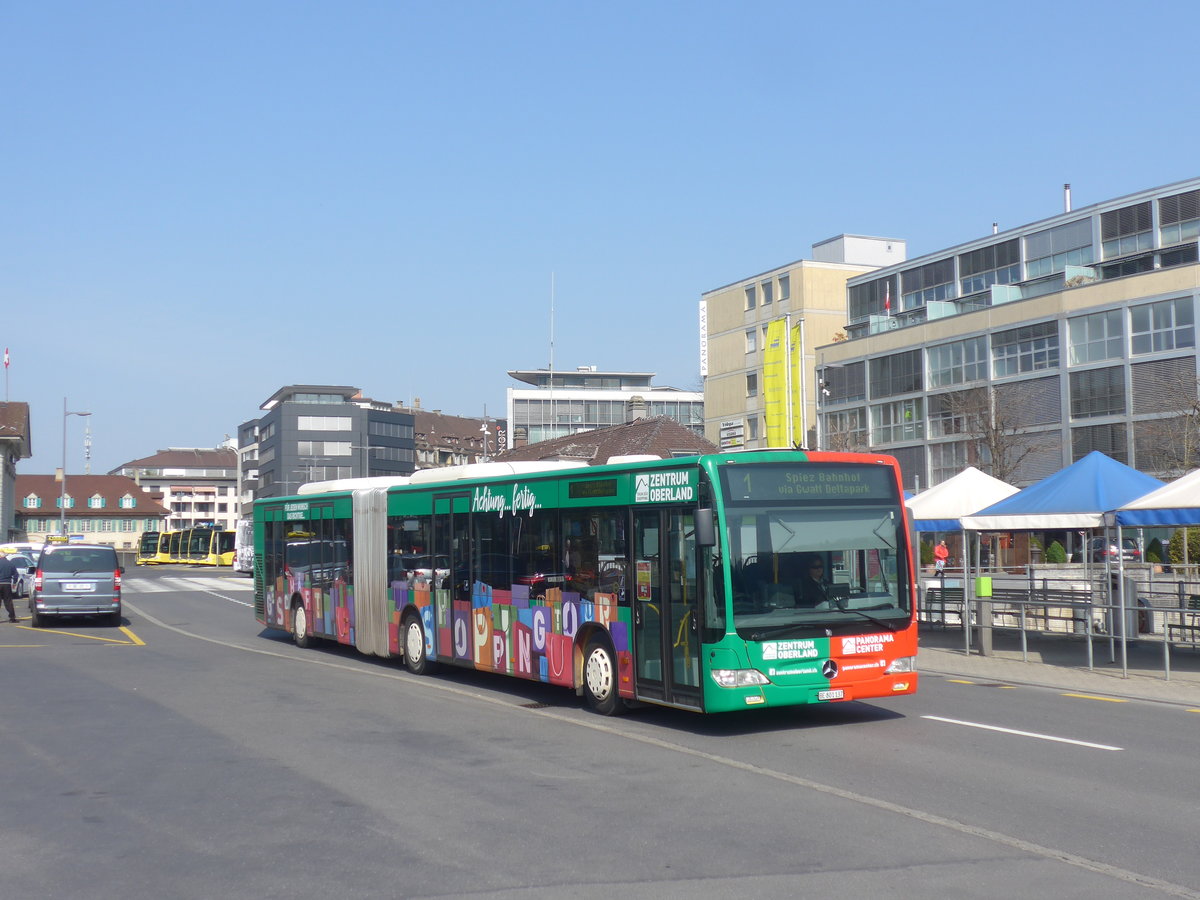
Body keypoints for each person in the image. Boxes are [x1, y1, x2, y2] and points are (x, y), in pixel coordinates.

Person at [0, 555, 18, 623]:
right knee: (8, 601)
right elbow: (16, 574)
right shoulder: (10, 563)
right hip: (7, 583)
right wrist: (14, 582)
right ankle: (12, 618)